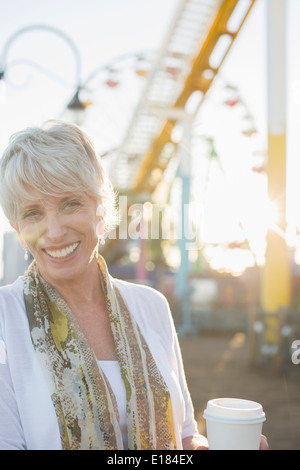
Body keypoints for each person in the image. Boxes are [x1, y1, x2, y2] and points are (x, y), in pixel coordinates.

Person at [0, 121, 268, 451]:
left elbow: (184, 436)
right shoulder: (4, 319)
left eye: (70, 204)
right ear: (18, 227)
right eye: (33, 213)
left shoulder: (151, 306)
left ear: (101, 211)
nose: (54, 231)